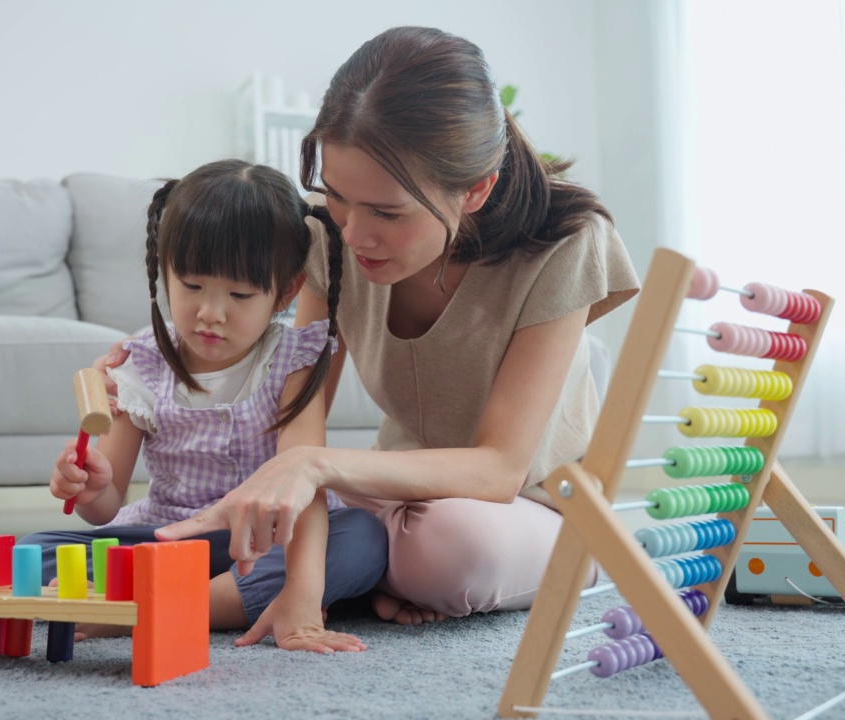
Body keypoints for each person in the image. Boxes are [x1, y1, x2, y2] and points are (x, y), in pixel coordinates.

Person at [136, 27, 641, 625]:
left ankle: (367, 572)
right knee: (277, 517)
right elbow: (296, 417)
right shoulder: (331, 241)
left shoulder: (564, 243)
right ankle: (362, 572)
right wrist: (144, 365)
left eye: (387, 213)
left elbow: (500, 467)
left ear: (476, 189)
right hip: (386, 495)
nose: (353, 234)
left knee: (448, 545)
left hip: (529, 505)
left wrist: (315, 469)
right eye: (339, 198)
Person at [20, 159, 387, 653]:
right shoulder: (141, 362)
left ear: (287, 290)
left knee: (363, 539)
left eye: (239, 294)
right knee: (32, 554)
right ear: (163, 269)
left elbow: (307, 484)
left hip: (266, 543)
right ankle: (219, 601)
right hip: (169, 540)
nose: (210, 314)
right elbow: (103, 508)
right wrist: (90, 487)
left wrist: (302, 591)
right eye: (191, 286)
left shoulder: (295, 359)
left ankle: (145, 609)